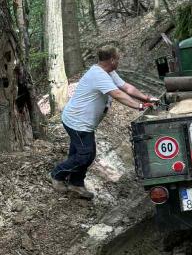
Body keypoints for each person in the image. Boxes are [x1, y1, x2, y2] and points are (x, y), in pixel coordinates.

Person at [50, 43, 157, 199]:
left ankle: (75, 184)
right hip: (77, 122)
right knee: (85, 155)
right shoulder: (98, 75)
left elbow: (126, 87)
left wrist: (146, 98)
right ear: (112, 59)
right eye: (118, 58)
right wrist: (139, 106)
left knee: (81, 154)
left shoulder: (108, 72)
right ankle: (57, 174)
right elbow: (117, 94)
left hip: (83, 122)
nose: (119, 61)